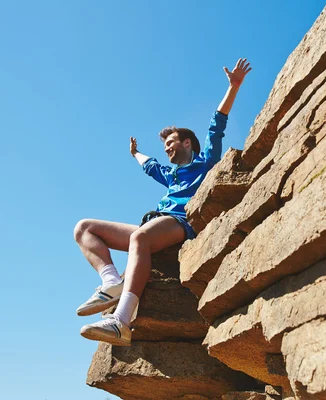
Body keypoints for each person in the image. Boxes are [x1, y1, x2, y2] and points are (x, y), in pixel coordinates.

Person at [74, 58, 252, 346]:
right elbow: (150, 165)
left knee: (140, 239)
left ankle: (121, 321)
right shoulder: (170, 175)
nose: (167, 147)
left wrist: (233, 87)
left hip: (182, 223)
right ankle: (111, 282)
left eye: (171, 142)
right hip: (156, 225)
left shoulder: (205, 163)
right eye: (165, 145)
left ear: (186, 143)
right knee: (84, 228)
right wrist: (135, 153)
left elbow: (216, 126)